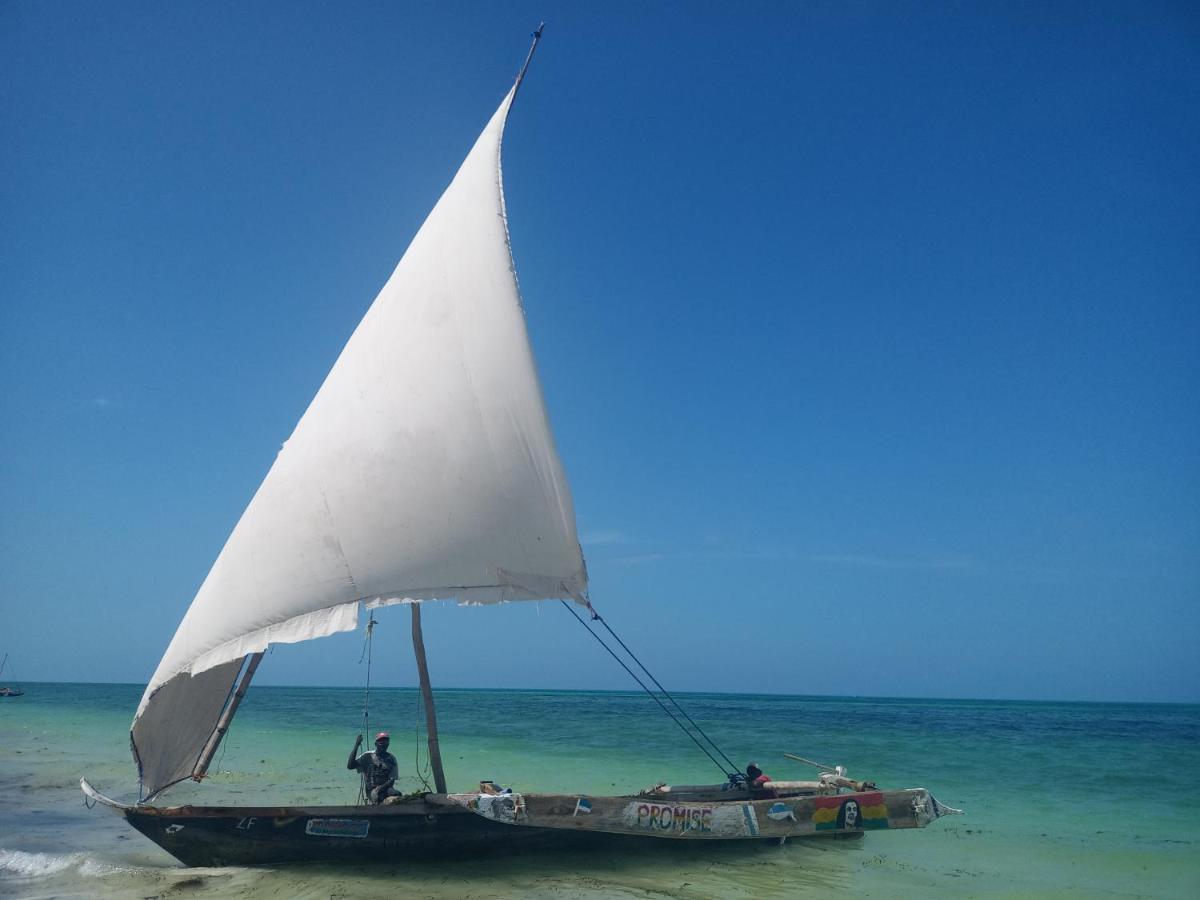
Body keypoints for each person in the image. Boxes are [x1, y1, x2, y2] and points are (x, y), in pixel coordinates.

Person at [347, 732, 400, 803]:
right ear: (376, 744)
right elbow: (350, 766)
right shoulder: (368, 756)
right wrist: (357, 745)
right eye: (381, 742)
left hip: (385, 789)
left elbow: (392, 779)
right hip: (371, 790)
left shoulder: (391, 759)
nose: (383, 744)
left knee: (398, 795)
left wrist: (381, 788)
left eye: (386, 742)